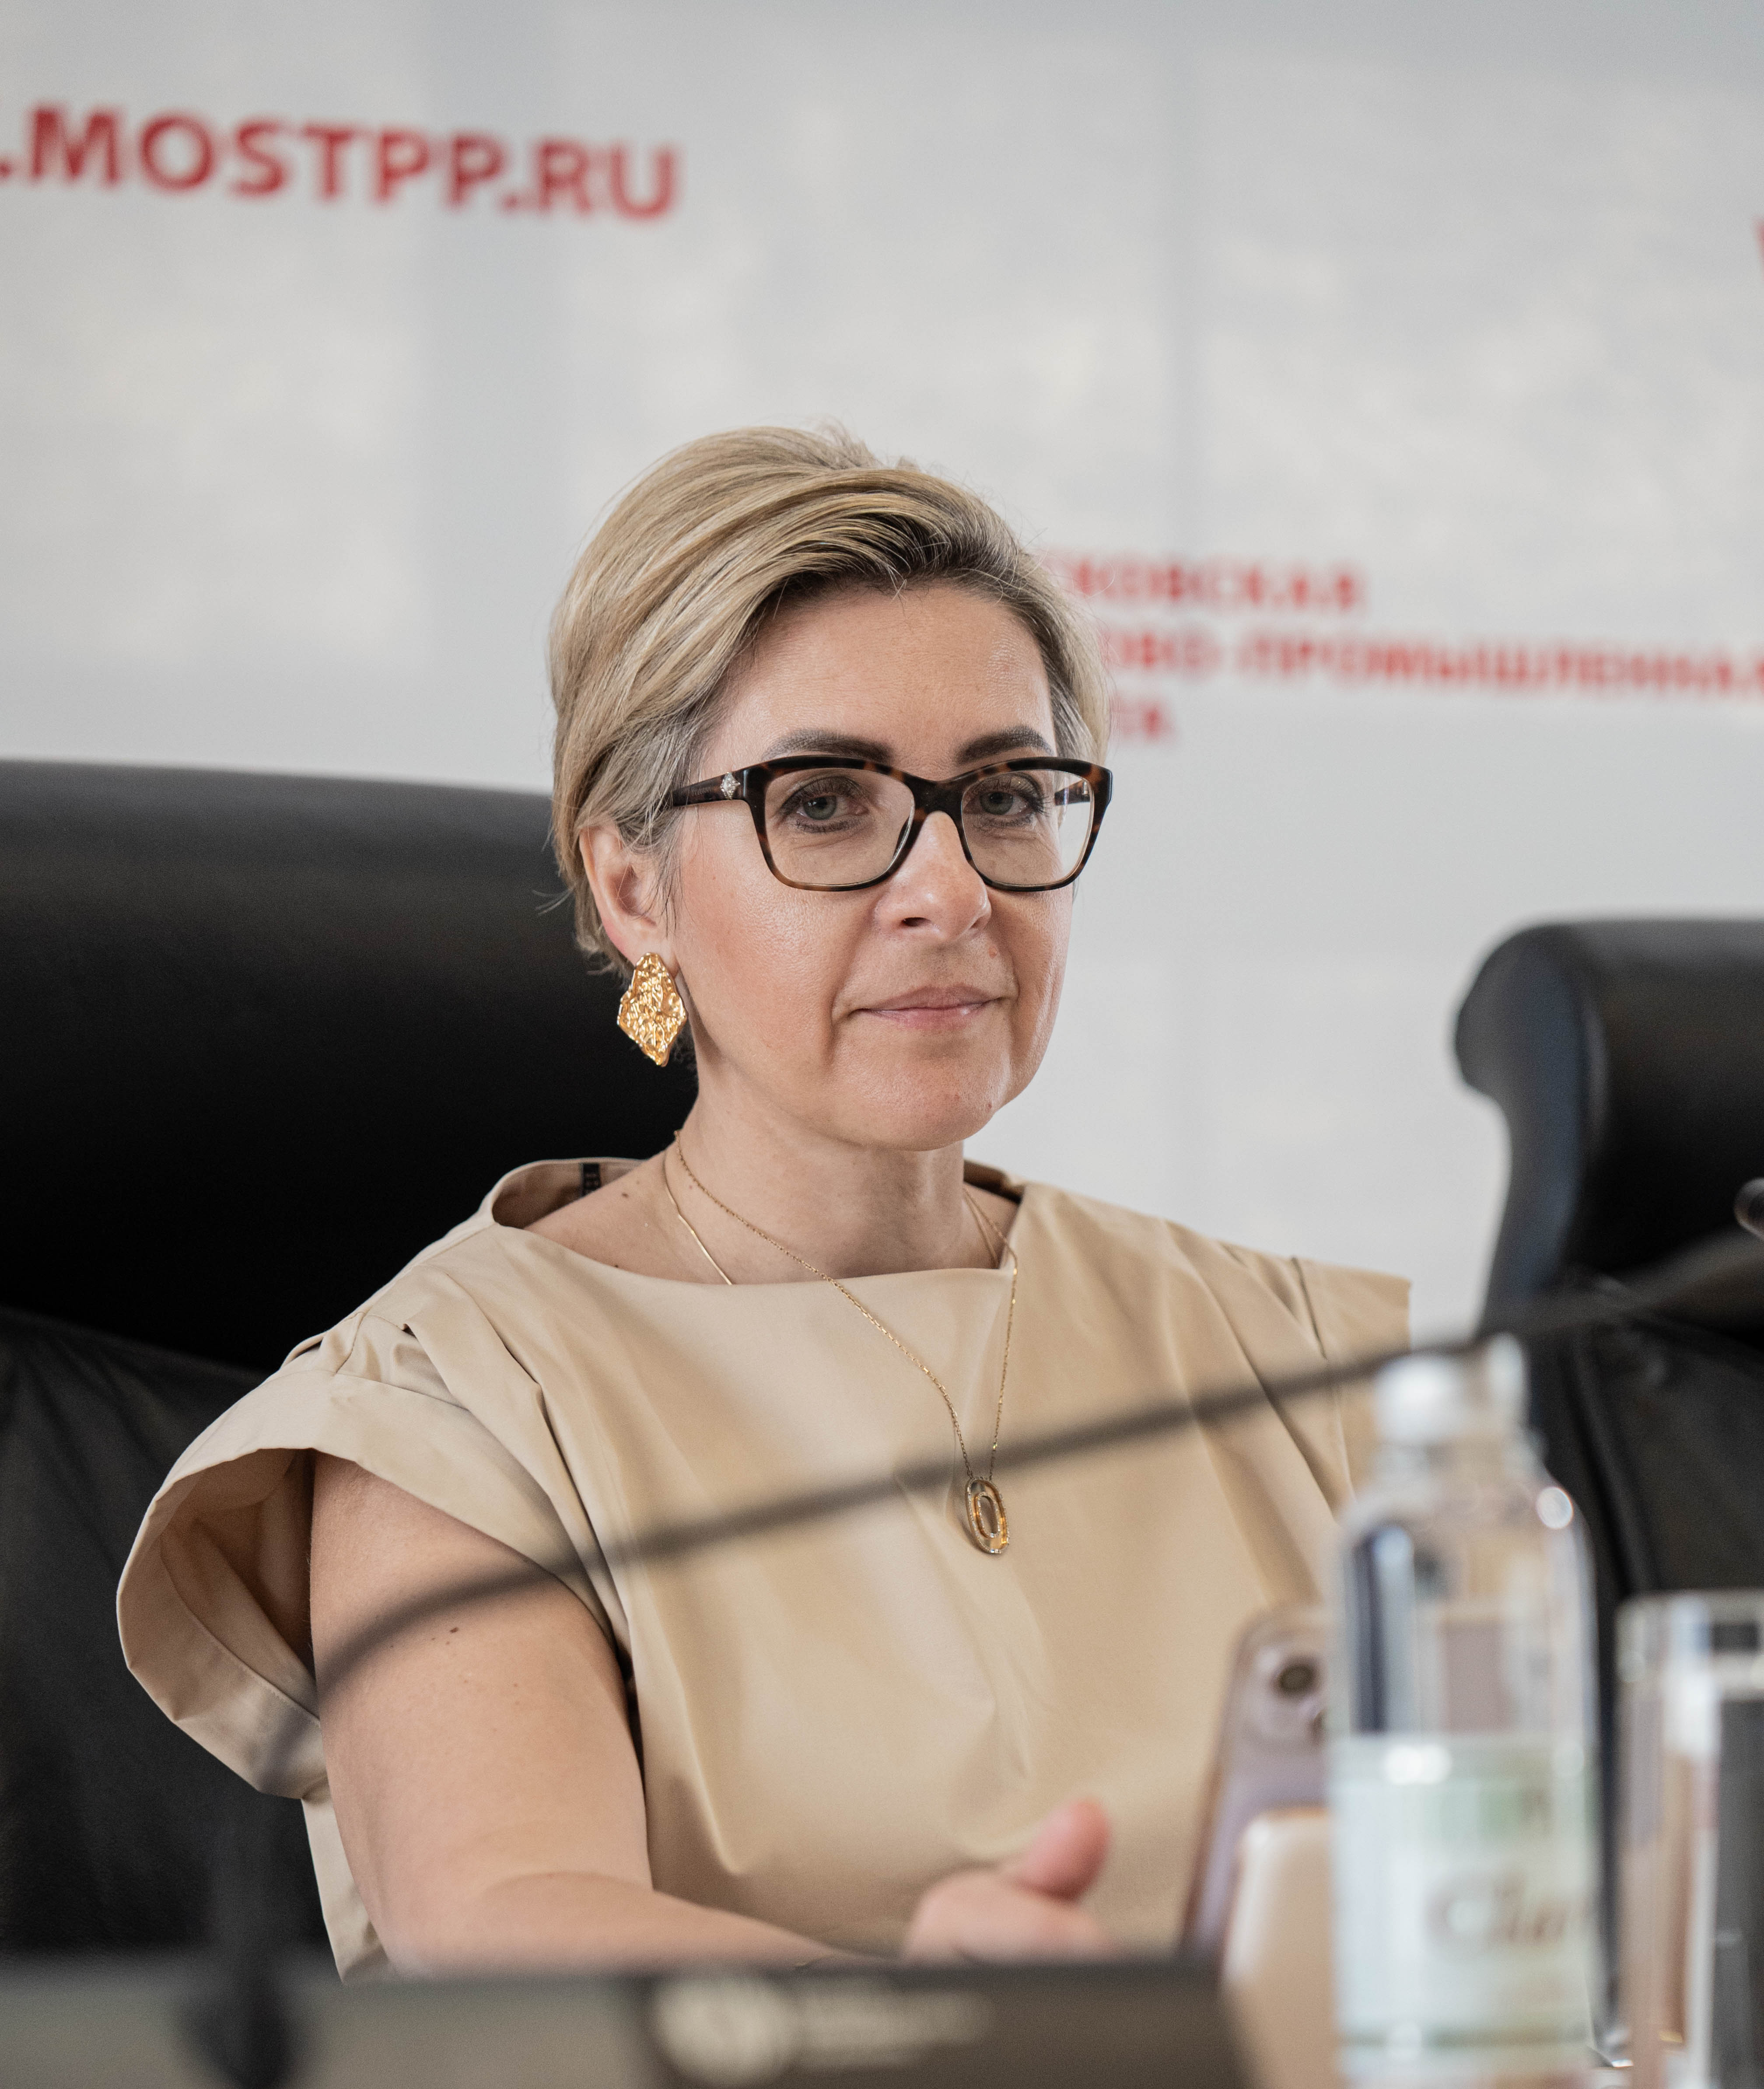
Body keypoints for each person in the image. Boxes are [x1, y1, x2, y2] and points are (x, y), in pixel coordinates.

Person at [119, 425, 1407, 1980]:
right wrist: (969, 2045)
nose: (951, 891)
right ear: (633, 890)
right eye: (824, 804)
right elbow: (504, 1924)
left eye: (1008, 794)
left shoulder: (1303, 1354)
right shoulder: (455, 1404)